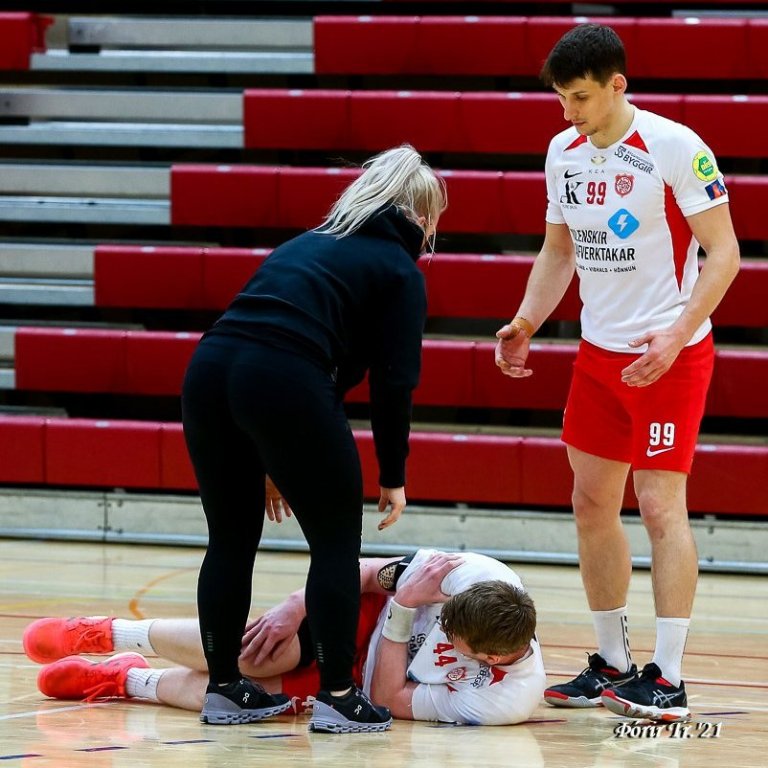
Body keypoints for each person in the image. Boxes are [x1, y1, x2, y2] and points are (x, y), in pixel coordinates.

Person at [495, 24, 739, 722]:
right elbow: (559, 251)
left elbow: (725, 254)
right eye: (561, 98)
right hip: (598, 356)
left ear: (616, 85)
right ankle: (612, 661)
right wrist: (526, 321)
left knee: (660, 506)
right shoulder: (562, 152)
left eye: (580, 97)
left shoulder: (675, 146)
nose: (569, 111)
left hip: (669, 356)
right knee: (590, 503)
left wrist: (676, 335)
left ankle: (669, 677)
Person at [179, 144, 447, 733]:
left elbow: (288, 348)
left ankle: (224, 689)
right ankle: (338, 696)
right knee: (334, 545)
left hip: (210, 370)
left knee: (229, 539)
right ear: (421, 216)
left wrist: (274, 453)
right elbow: (393, 382)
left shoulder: (307, 244)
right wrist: (393, 473)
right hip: (282, 378)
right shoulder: (399, 270)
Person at [23, 550, 546, 727]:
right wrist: (297, 604)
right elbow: (365, 573)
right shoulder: (473, 574)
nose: (443, 631)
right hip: (365, 616)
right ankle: (107, 633)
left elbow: (387, 697)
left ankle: (125, 680)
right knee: (260, 655)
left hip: (375, 678)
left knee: (252, 697)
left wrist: (408, 610)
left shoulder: (507, 699)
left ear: (491, 656)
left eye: (453, 638)